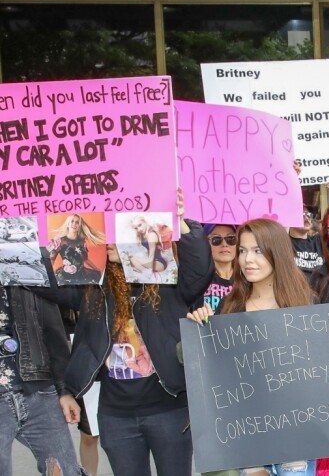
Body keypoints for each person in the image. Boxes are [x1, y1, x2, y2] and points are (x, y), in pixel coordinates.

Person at [35, 190, 215, 476]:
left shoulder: (167, 279)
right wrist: (26, 230)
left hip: (170, 410)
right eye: (104, 234)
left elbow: (200, 269)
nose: (109, 242)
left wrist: (180, 220)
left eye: (117, 233)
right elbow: (43, 279)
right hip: (116, 417)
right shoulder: (92, 285)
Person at [189, 218, 315, 476]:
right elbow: (217, 372)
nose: (247, 259)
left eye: (257, 251)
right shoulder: (230, 306)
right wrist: (199, 331)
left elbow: (327, 367)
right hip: (249, 441)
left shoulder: (305, 307)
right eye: (243, 250)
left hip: (295, 443)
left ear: (276, 252)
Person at [0, 282, 86, 475]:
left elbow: (53, 331)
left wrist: (64, 390)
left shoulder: (24, 262)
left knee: (66, 471)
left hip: (39, 390)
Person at [289, 177, 329, 280]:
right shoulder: (284, 242)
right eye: (301, 214)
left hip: (321, 294)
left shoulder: (318, 241)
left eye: (308, 214)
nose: (306, 217)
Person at [48, 214, 105, 285]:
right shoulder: (60, 241)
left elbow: (85, 259)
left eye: (77, 222)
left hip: (82, 275)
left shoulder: (82, 241)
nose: (74, 224)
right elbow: (51, 259)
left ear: (79, 226)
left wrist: (96, 269)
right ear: (68, 224)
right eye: (72, 221)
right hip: (65, 276)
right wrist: (48, 274)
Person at [198, 223, 236, 310]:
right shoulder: (197, 278)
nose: (224, 244)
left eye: (231, 239)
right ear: (205, 244)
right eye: (216, 240)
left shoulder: (248, 278)